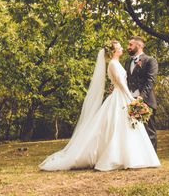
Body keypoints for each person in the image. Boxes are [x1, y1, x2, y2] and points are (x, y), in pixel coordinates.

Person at [39, 41, 160, 171]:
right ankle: (119, 158)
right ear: (113, 51)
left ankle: (137, 156)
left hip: (123, 96)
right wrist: (130, 98)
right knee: (119, 127)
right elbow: (120, 82)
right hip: (122, 97)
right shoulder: (114, 64)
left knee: (129, 127)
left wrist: (125, 92)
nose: (123, 48)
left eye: (126, 46)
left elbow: (125, 81)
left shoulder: (121, 63)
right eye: (120, 47)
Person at [125, 36, 158, 150]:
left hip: (145, 101)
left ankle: (153, 158)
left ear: (139, 46)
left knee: (149, 131)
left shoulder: (150, 60)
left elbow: (150, 82)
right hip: (130, 100)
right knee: (134, 131)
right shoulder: (127, 61)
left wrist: (141, 98)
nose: (128, 47)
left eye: (130, 45)